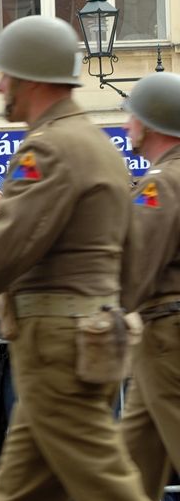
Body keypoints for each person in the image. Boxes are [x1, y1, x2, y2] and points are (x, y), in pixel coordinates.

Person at [0, 15, 148, 500]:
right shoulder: (95, 145)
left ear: (31, 78)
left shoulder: (48, 149)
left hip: (60, 343)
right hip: (79, 335)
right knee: (22, 487)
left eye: (5, 73)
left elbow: (4, 250)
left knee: (104, 482)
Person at [120, 72, 180, 501]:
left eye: (132, 117)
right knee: (134, 469)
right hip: (160, 338)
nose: (127, 126)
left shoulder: (160, 183)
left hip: (167, 335)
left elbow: (136, 260)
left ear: (152, 123)